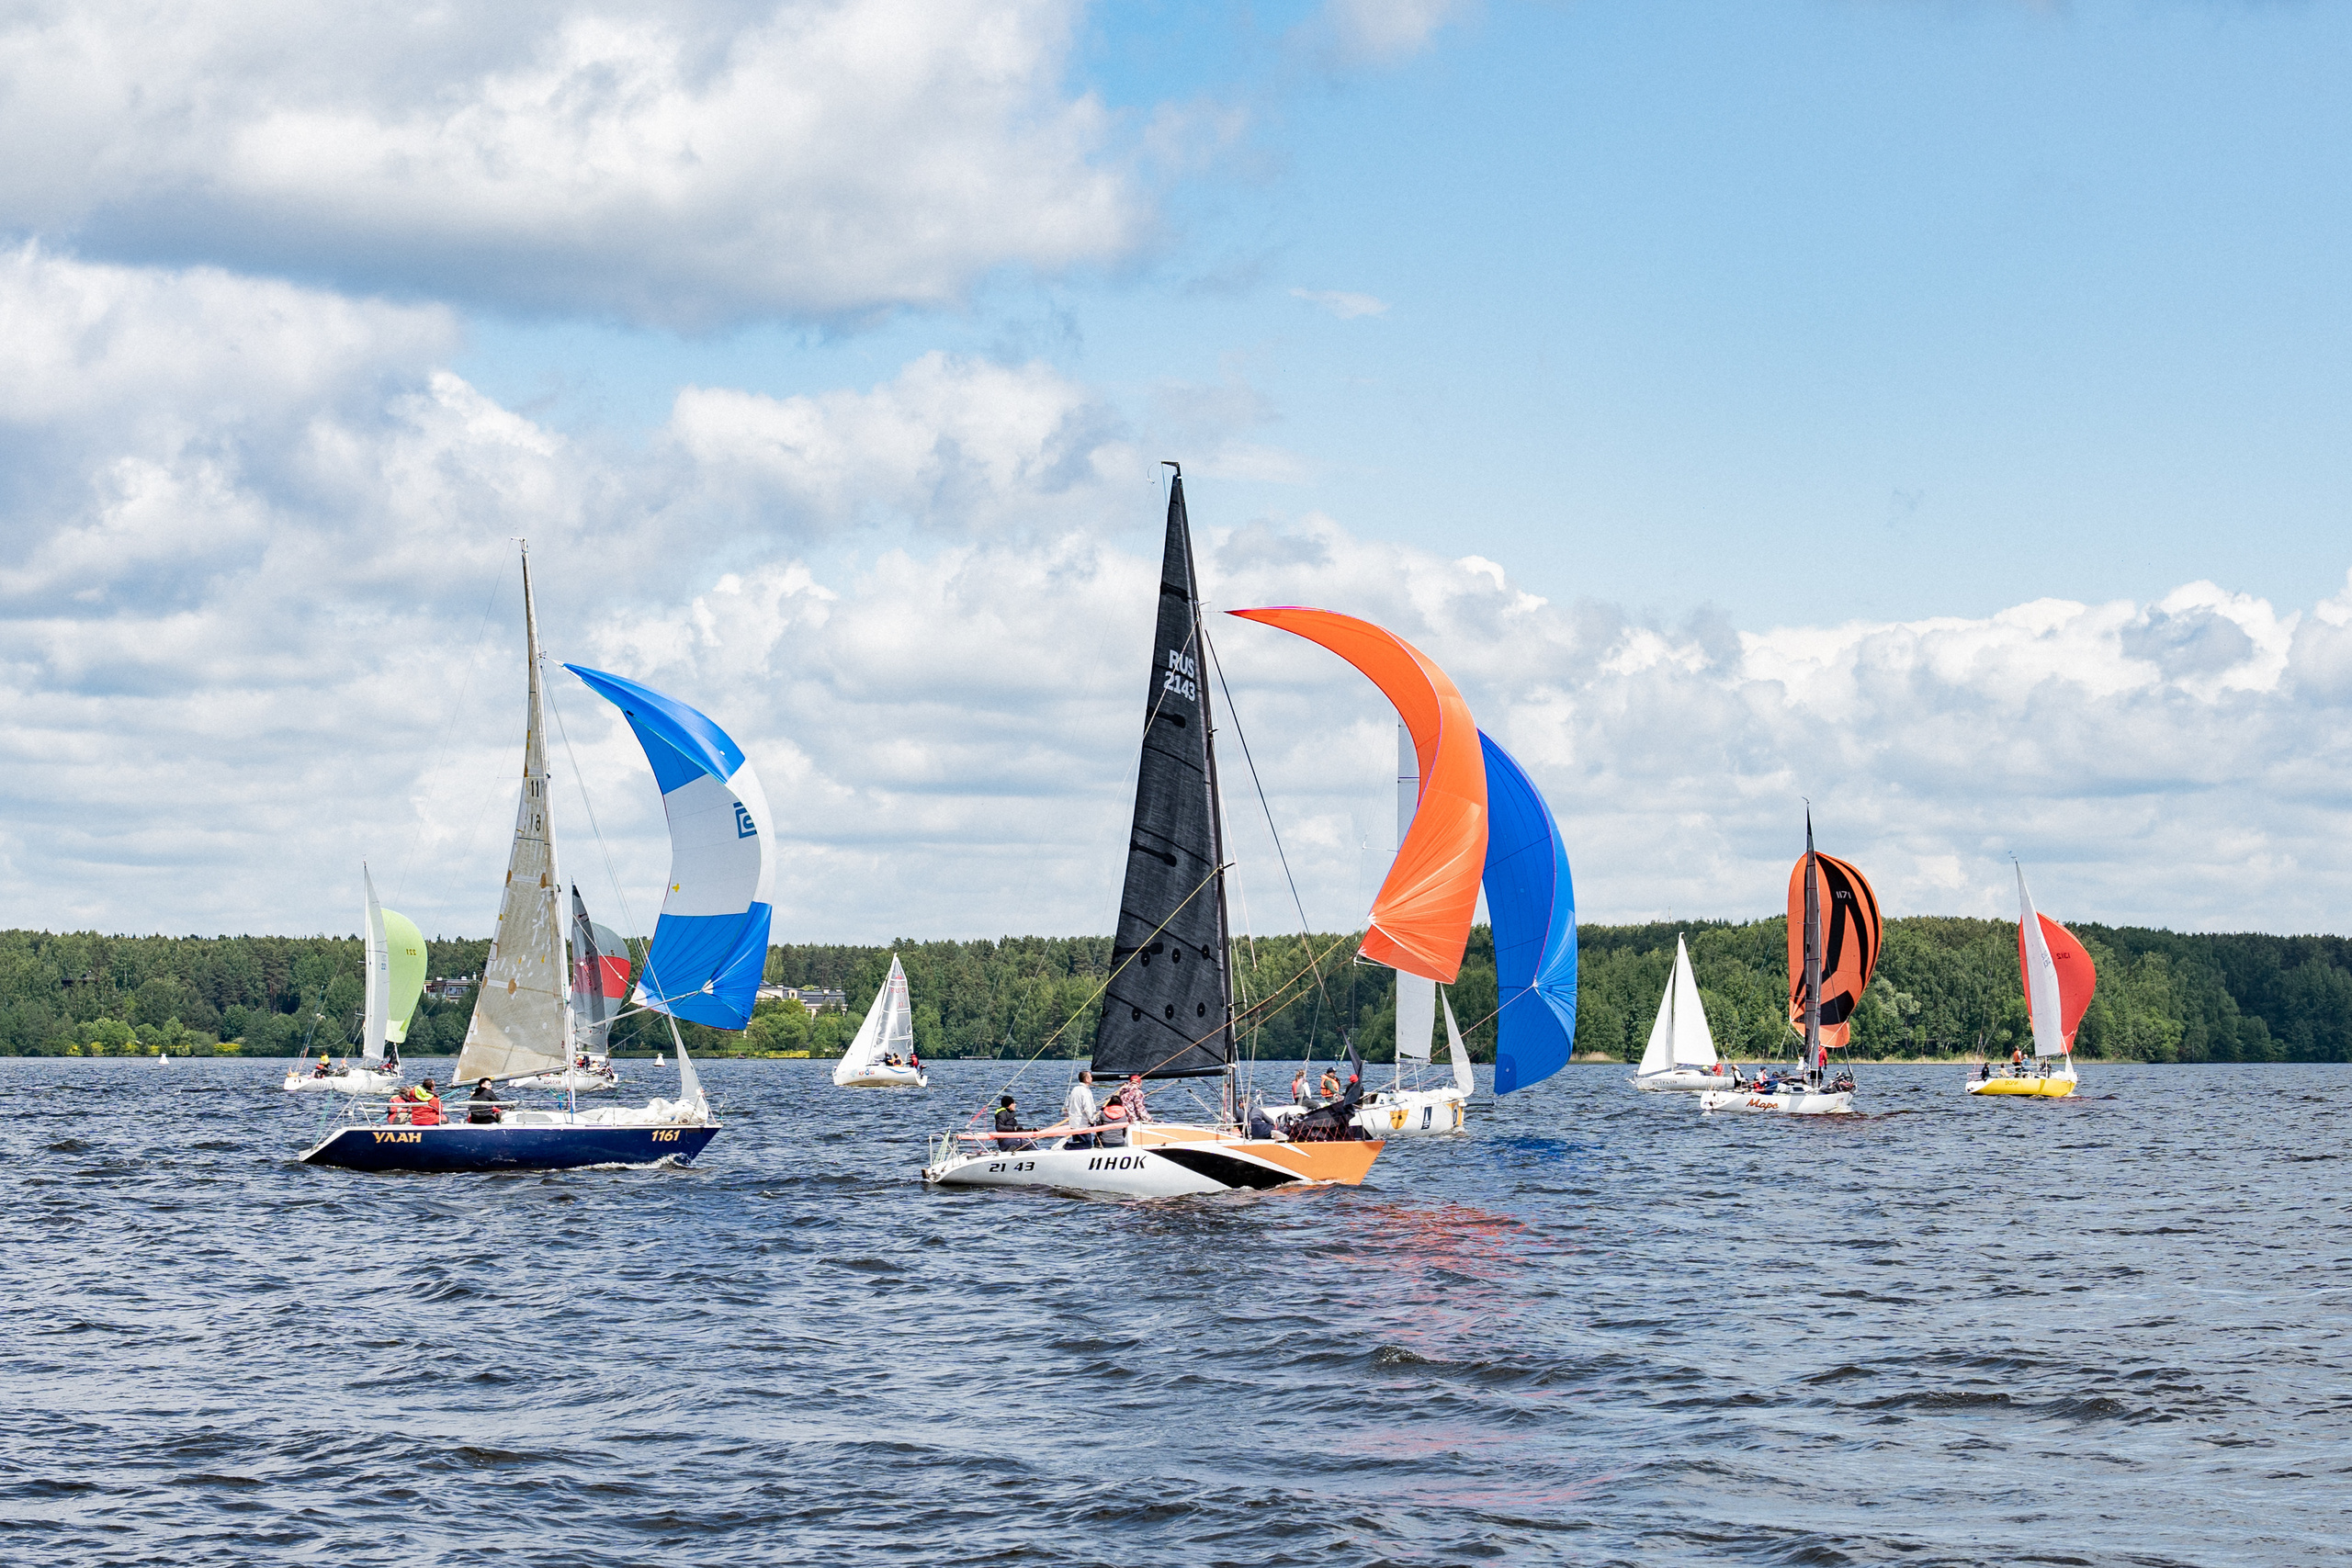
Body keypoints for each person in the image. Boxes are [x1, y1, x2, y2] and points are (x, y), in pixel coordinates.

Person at [1063, 1070, 1099, 1149]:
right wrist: (1092, 1120)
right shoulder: (1085, 1091)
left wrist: (1071, 1114)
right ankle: (1067, 1145)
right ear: (1086, 1079)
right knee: (1087, 1145)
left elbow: (1067, 1105)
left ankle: (1070, 1148)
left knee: (1078, 1143)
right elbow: (1088, 1107)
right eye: (1090, 1077)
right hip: (1082, 1123)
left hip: (1073, 1122)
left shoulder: (1075, 1089)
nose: (1092, 1079)